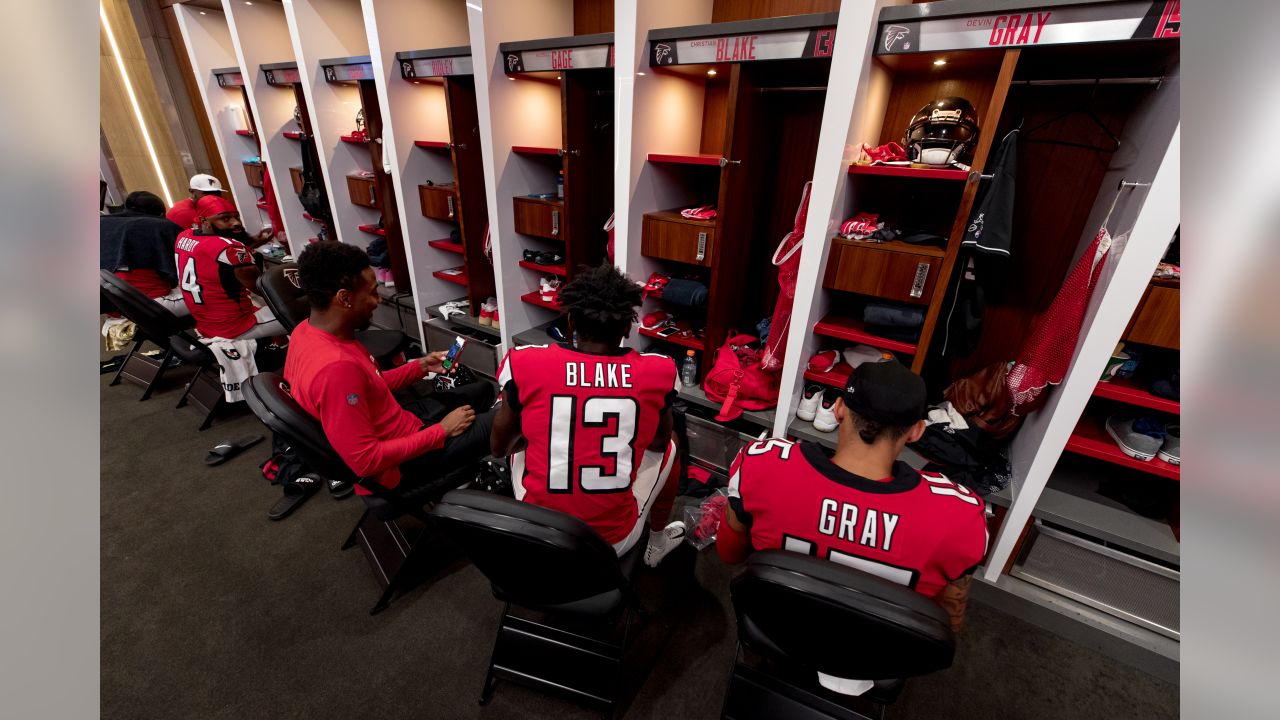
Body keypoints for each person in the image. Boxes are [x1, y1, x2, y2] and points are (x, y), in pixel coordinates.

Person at [717, 359, 988, 636]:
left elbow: (729, 553)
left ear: (838, 409)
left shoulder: (763, 466)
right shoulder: (961, 516)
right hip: (877, 653)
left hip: (777, 628)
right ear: (917, 430)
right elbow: (947, 625)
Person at [490, 262, 687, 567]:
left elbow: (499, 448)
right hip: (609, 542)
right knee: (672, 442)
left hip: (540, 534)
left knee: (522, 436)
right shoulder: (659, 370)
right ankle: (658, 542)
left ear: (570, 322)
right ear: (626, 327)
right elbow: (659, 445)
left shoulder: (525, 361)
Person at [284, 241, 495, 499]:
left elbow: (369, 384)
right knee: (508, 416)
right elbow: (366, 461)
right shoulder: (335, 368)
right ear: (344, 298)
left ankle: (464, 464)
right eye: (372, 292)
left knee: (483, 390)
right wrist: (442, 431)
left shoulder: (304, 332)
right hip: (400, 467)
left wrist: (419, 367)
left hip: (402, 426)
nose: (378, 300)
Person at [174, 195, 284, 340]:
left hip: (205, 323)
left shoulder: (184, 236)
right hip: (234, 327)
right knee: (306, 309)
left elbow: (214, 256)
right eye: (225, 219)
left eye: (236, 217)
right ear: (203, 220)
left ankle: (279, 347)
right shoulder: (231, 249)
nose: (236, 223)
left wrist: (254, 243)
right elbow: (266, 289)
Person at [99, 190, 188, 316]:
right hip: (153, 305)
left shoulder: (100, 223)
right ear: (162, 214)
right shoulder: (163, 227)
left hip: (116, 307)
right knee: (211, 295)